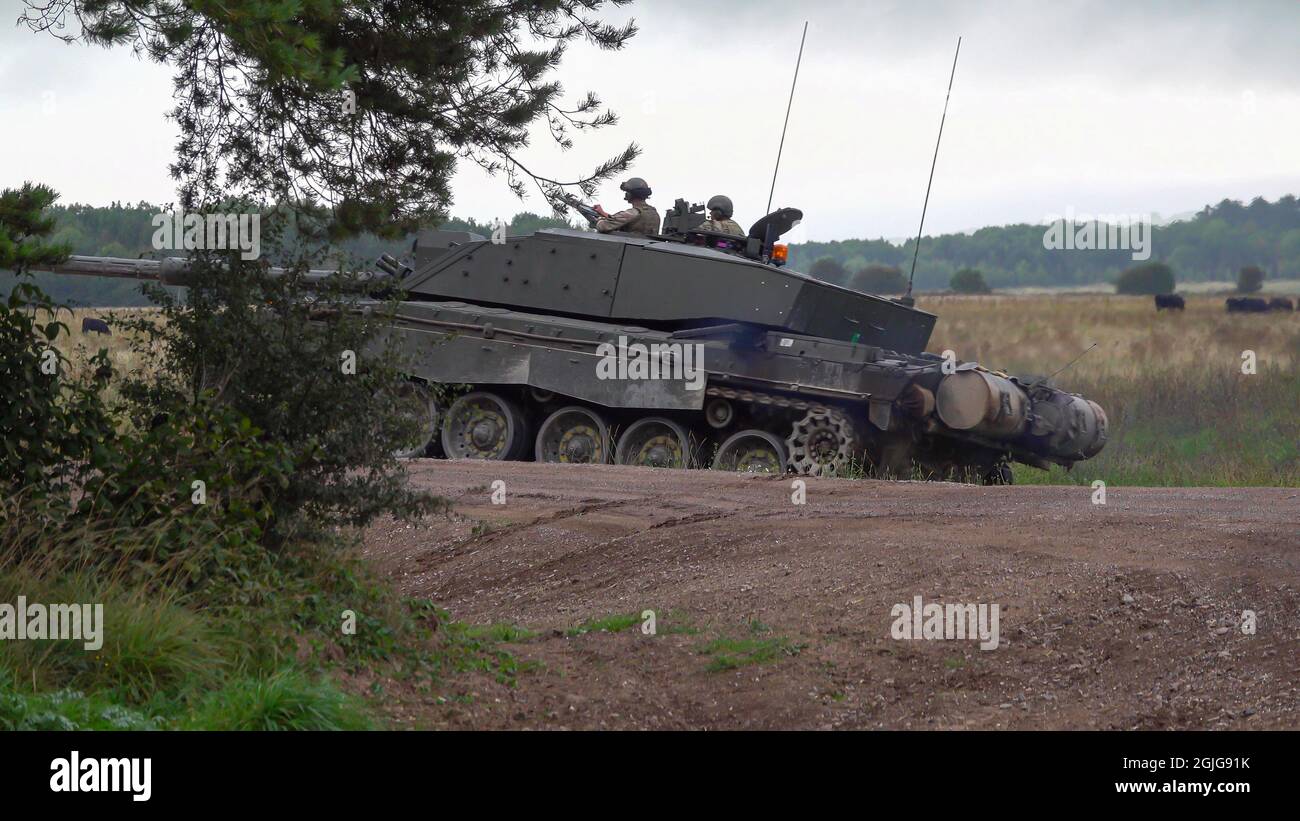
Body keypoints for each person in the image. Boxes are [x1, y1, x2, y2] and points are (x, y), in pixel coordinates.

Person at [594, 177, 661, 236]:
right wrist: (603, 213)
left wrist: (599, 220)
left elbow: (603, 226)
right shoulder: (653, 212)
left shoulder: (633, 212)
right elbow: (621, 220)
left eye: (627, 192)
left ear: (631, 194)